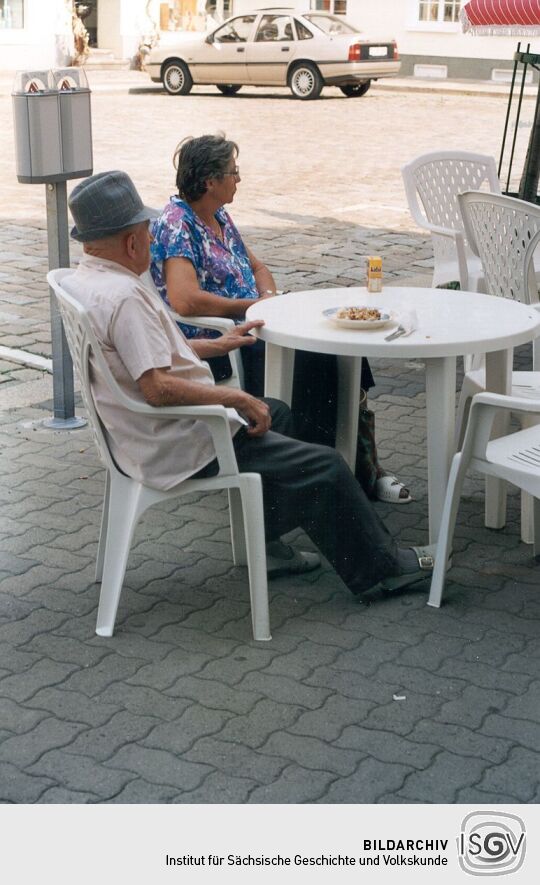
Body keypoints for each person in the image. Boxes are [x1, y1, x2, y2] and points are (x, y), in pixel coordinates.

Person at [65, 170, 436, 598]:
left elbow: (144, 358)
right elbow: (157, 388)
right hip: (179, 437)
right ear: (132, 242)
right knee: (326, 465)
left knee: (277, 413)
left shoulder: (87, 281)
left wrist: (217, 345)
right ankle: (382, 569)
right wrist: (233, 397)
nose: (150, 241)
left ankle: (268, 541)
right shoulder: (124, 297)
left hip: (137, 436)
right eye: (146, 234)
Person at [150, 134, 412, 505]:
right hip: (224, 338)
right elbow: (185, 299)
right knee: (315, 355)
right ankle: (327, 471)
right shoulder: (178, 223)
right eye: (232, 172)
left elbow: (258, 266)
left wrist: (268, 300)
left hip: (257, 319)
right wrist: (249, 307)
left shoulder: (218, 215)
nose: (237, 179)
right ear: (210, 181)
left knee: (341, 346)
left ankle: (359, 462)